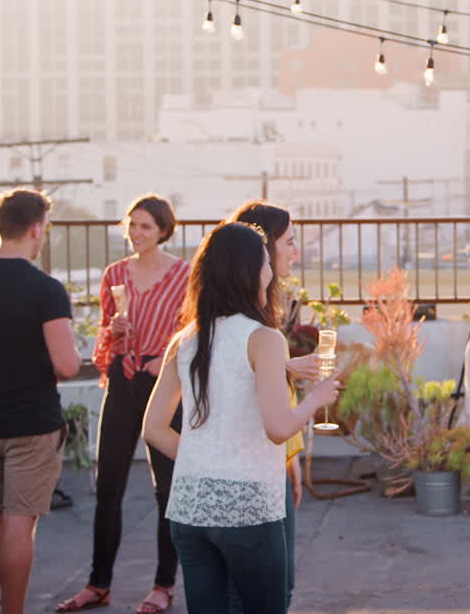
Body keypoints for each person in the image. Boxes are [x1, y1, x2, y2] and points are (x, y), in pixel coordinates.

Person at [142, 222, 339, 614]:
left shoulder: (186, 339)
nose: (271, 271)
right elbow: (280, 427)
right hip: (249, 508)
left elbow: (153, 429)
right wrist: (315, 398)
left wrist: (203, 461)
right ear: (252, 271)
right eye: (266, 262)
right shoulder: (264, 338)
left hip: (190, 506)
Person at [0, 189, 81, 614]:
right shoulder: (45, 289)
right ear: (36, 228)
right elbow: (68, 364)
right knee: (21, 526)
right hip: (33, 421)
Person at [58, 195, 190, 614]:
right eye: (131, 225)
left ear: (164, 231)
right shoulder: (115, 274)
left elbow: (191, 332)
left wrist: (161, 359)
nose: (135, 234)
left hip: (162, 385)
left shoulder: (184, 276)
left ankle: (163, 585)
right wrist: (115, 330)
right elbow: (105, 334)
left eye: (145, 227)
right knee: (108, 487)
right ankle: (98, 584)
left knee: (167, 490)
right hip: (122, 378)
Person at [225, 200, 315, 613]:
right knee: (269, 588)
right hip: (255, 464)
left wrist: (290, 458)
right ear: (262, 248)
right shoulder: (250, 318)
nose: (296, 251)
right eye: (290, 242)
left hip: (270, 457)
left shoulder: (251, 307)